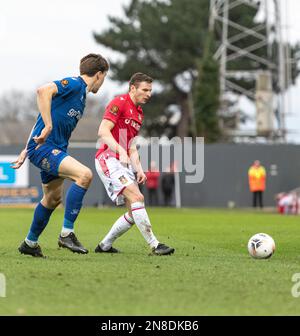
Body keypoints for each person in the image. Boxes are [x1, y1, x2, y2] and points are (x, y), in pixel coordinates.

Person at [11, 53, 109, 257]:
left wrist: (25, 148)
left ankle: (30, 243)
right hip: (46, 148)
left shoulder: (81, 95)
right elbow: (43, 91)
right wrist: (48, 126)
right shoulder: (75, 84)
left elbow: (41, 114)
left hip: (46, 148)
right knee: (84, 175)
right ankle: (67, 233)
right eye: (105, 76)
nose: (103, 81)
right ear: (99, 74)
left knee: (52, 198)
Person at [94, 72, 174, 255]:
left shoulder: (139, 113)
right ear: (132, 88)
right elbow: (103, 131)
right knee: (138, 199)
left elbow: (131, 146)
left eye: (150, 90)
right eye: (145, 90)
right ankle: (155, 245)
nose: (149, 94)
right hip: (107, 158)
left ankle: (104, 246)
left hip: (123, 163)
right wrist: (119, 150)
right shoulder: (119, 102)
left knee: (133, 212)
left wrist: (139, 169)